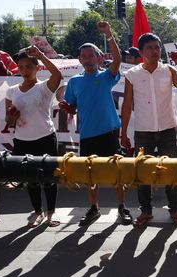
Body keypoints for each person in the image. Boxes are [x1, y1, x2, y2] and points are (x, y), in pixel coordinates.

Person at [60, 21, 132, 227]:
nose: (88, 59)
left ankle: (121, 207)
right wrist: (68, 108)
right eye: (84, 56)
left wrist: (109, 34)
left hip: (109, 132)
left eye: (91, 55)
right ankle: (94, 208)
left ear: (99, 58)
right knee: (91, 174)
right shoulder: (74, 82)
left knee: (116, 170)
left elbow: (117, 59)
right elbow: (72, 107)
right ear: (79, 59)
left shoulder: (106, 76)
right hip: (87, 134)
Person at [120, 32, 177, 227]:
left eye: (156, 47)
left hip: (168, 128)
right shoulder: (132, 74)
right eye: (149, 48)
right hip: (143, 130)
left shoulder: (169, 70)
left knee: (171, 171)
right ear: (142, 52)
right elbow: (127, 105)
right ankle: (145, 211)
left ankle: (175, 210)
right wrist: (123, 132)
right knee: (142, 172)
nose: (154, 51)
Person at [5, 46, 62, 227]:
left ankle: (51, 212)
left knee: (49, 178)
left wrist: (41, 55)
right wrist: (11, 117)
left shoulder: (43, 88)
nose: (24, 71)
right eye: (20, 67)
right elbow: (8, 120)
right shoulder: (11, 91)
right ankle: (38, 212)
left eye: (29, 66)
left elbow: (57, 75)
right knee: (31, 179)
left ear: (37, 67)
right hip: (22, 140)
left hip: (45, 137)